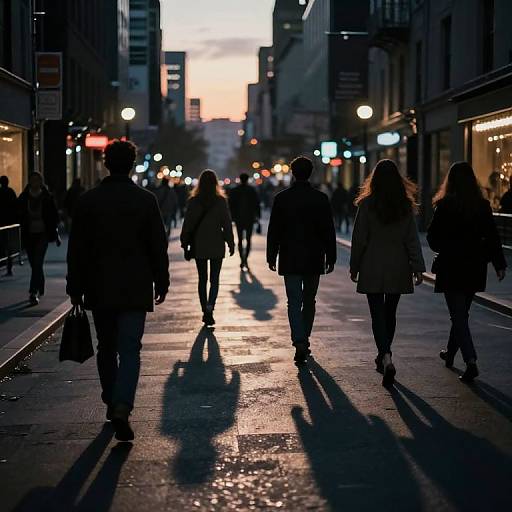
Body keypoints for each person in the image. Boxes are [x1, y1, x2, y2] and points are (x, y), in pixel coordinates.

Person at [67, 140, 170, 441]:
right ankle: (123, 403)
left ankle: (111, 398)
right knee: (130, 348)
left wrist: (75, 287)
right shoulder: (145, 199)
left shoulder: (88, 201)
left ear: (105, 163)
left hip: (99, 285)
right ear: (133, 164)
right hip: (135, 285)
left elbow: (77, 249)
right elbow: (157, 245)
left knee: (106, 347)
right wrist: (160, 280)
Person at [427, 161, 507, 383]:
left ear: (450, 181)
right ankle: (450, 353)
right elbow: (492, 236)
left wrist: (444, 246)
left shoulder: (445, 206)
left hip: (451, 266)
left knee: (458, 314)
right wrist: (499, 264)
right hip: (474, 267)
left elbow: (432, 238)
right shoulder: (481, 205)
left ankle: (470, 360)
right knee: (461, 313)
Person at [350, 160, 425, 387]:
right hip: (398, 265)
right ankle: (385, 354)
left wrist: (355, 266)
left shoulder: (367, 204)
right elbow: (412, 239)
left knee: (376, 314)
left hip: (372, 264)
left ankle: (385, 355)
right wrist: (418, 267)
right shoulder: (404, 206)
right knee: (390, 312)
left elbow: (359, 238)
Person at [267, 156, 337, 365]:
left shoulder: (282, 198)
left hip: (290, 256)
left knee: (293, 301)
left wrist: (272, 255)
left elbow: (274, 230)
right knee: (309, 300)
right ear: (311, 173)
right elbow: (328, 231)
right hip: (314, 257)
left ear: (292, 172)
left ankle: (299, 340)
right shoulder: (321, 199)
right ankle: (304, 338)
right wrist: (331, 256)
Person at [180, 169, 234, 326]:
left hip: (199, 244)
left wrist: (185, 243)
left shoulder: (194, 201)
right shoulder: (220, 201)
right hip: (217, 244)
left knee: (202, 279)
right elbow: (227, 224)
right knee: (215, 279)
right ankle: (211, 306)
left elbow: (187, 224)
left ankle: (204, 309)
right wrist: (230, 242)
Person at [18, 172, 60, 305]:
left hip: (43, 234)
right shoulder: (24, 197)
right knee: (34, 264)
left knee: (37, 262)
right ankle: (40, 283)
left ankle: (33, 291)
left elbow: (53, 217)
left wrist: (55, 233)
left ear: (41, 182)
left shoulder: (47, 197)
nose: (35, 182)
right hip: (29, 234)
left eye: (38, 180)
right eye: (33, 180)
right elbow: (18, 214)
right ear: (29, 182)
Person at [229, 172, 261, 270]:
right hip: (250, 218)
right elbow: (257, 204)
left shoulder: (235, 190)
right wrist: (258, 216)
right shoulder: (252, 190)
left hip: (239, 218)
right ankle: (245, 259)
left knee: (239, 240)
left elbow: (231, 205)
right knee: (248, 239)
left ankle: (242, 259)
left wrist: (232, 216)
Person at [0, 176, 18, 276]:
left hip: (1, 221)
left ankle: (3, 263)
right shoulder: (11, 192)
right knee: (9, 245)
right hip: (10, 222)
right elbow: (15, 206)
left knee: (2, 243)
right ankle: (9, 267)